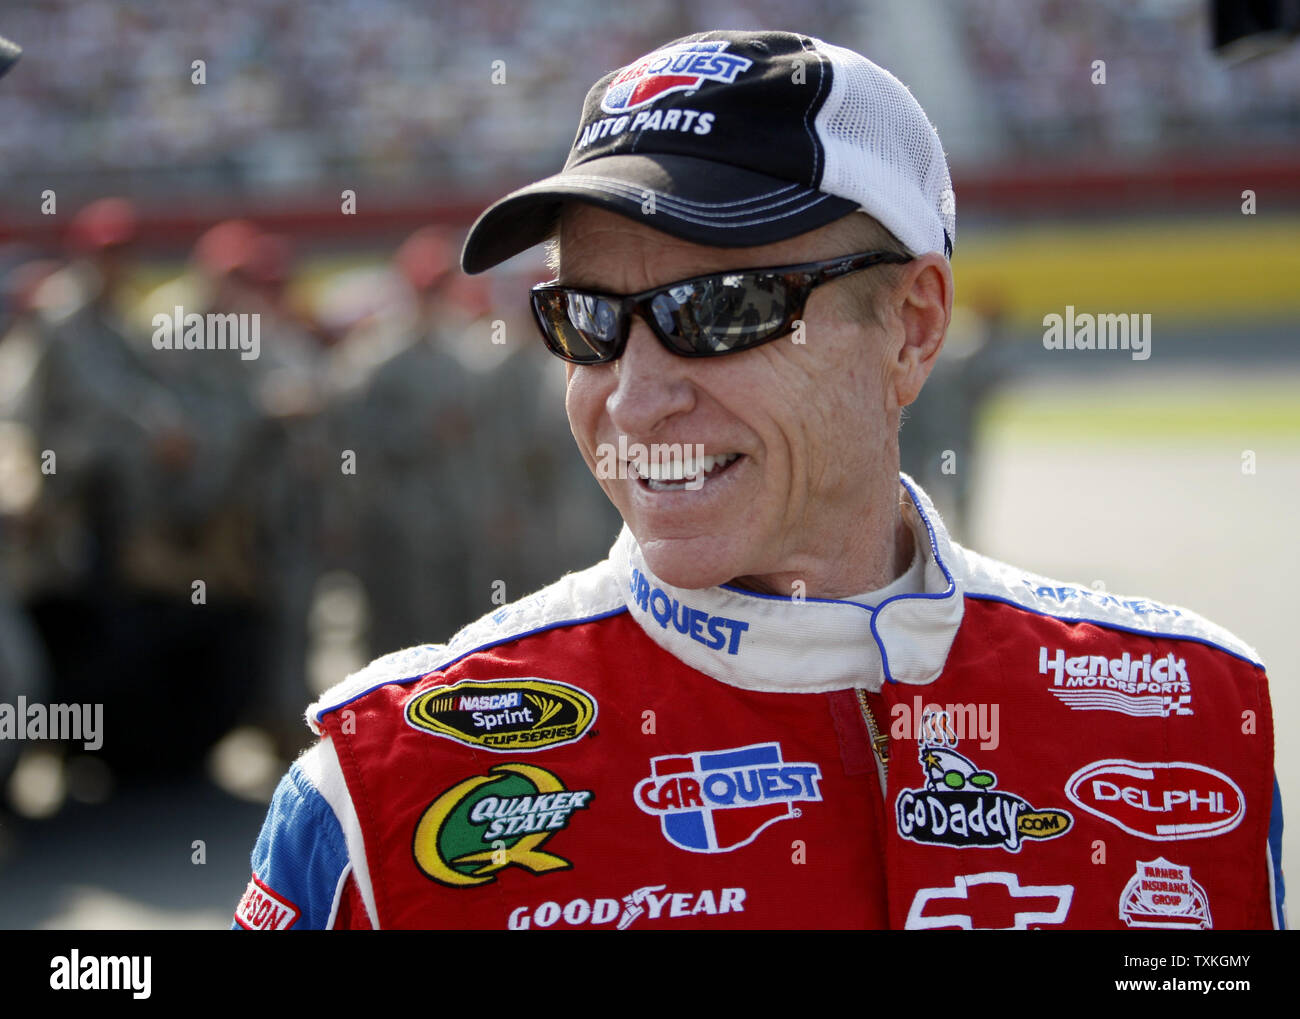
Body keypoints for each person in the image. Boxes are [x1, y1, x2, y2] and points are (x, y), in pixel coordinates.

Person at [235, 30, 1285, 931]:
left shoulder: (1193, 716)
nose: (635, 398)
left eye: (721, 307)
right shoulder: (375, 787)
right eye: (587, 318)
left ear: (913, 328)